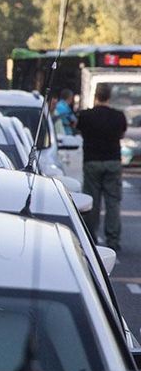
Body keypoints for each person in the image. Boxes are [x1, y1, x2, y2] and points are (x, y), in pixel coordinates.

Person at [76, 84, 127, 250]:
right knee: (113, 202)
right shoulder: (118, 116)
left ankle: (91, 238)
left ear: (96, 96)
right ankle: (113, 240)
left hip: (92, 161)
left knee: (93, 202)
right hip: (113, 160)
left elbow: (78, 131)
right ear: (109, 96)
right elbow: (121, 134)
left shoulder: (86, 116)